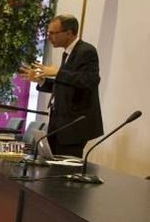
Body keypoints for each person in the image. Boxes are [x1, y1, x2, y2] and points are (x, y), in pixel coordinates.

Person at [22, 14, 104, 157]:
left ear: (69, 33)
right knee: (51, 165)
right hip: (59, 121)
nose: (49, 37)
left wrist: (58, 72)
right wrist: (41, 81)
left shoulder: (87, 51)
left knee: (65, 170)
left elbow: (90, 81)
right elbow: (66, 84)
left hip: (73, 124)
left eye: (53, 33)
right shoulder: (68, 52)